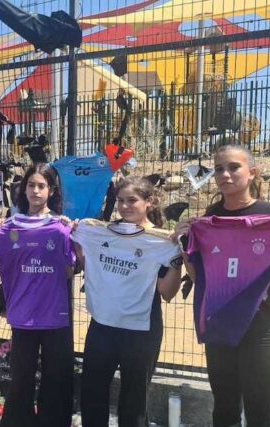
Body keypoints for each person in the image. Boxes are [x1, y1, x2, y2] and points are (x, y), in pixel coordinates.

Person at [172, 144, 270, 427]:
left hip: (263, 329)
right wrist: (183, 243)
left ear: (252, 173)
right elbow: (199, 274)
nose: (225, 174)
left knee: (261, 416)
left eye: (233, 167)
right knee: (224, 412)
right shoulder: (208, 219)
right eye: (219, 169)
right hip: (220, 327)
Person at [72, 177, 182, 427]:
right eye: (120, 201)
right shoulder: (100, 232)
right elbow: (86, 262)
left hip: (141, 330)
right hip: (102, 325)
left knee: (134, 400)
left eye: (132, 200)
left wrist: (177, 261)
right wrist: (76, 233)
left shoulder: (161, 241)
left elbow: (167, 292)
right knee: (92, 393)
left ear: (149, 202)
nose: (124, 206)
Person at [0, 163, 75, 427]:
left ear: (51, 190)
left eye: (41, 186)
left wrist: (70, 235)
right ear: (23, 190)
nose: (35, 190)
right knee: (21, 378)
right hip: (23, 316)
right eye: (31, 185)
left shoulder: (60, 229)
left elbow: (69, 271)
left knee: (55, 378)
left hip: (54, 315)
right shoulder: (5, 230)